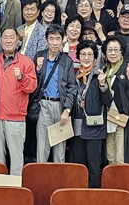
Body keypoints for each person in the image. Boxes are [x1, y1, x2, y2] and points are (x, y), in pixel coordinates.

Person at [0, 26, 37, 176]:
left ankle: (16, 187)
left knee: (16, 156)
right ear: (0, 41)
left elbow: (32, 87)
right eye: (5, 37)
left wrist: (21, 77)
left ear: (18, 40)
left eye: (12, 37)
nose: (8, 40)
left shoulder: (26, 62)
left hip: (16, 117)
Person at [32, 24, 77, 163]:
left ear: (63, 40)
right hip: (43, 104)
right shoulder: (39, 56)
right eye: (51, 39)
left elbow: (72, 87)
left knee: (59, 150)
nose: (55, 42)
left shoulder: (67, 61)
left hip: (60, 106)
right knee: (42, 147)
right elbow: (32, 83)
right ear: (46, 40)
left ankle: (59, 176)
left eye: (58, 39)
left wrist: (67, 110)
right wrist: (38, 69)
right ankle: (41, 174)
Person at [73, 40, 112, 188]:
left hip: (94, 127)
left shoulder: (99, 75)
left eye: (90, 54)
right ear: (78, 56)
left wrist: (102, 85)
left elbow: (107, 100)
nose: (86, 57)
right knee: (79, 166)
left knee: (94, 166)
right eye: (83, 54)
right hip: (77, 127)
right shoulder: (75, 75)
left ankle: (93, 195)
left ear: (95, 57)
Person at [102, 36, 129, 165]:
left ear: (122, 52)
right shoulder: (104, 70)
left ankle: (120, 178)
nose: (113, 53)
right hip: (108, 117)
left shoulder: (127, 68)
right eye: (110, 50)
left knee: (121, 158)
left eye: (116, 50)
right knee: (110, 156)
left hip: (122, 118)